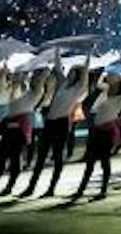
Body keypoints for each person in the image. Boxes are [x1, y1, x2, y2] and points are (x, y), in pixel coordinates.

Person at [23, 53, 87, 198]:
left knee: (58, 156)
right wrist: (57, 51)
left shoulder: (77, 89)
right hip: (50, 122)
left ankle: (51, 188)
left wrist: (87, 56)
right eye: (69, 72)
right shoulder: (63, 85)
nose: (69, 74)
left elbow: (84, 77)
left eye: (72, 73)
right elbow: (58, 69)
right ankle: (31, 187)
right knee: (41, 156)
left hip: (61, 123)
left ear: (76, 76)